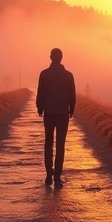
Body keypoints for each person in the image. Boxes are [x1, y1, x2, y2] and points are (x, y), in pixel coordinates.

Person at [36, 47, 76, 187]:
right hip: (63, 113)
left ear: (50, 57)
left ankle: (48, 175)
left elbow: (40, 91)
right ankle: (57, 177)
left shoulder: (44, 74)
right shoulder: (68, 75)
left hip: (49, 113)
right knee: (60, 144)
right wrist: (72, 108)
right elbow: (72, 94)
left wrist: (39, 107)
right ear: (62, 57)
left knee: (48, 143)